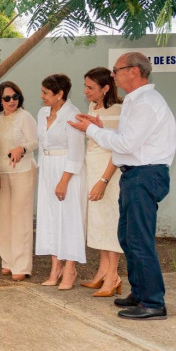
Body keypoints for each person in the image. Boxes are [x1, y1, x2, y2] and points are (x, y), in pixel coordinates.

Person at [70, 52, 175, 320]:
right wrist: (99, 126)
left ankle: (153, 302)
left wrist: (92, 131)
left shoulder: (146, 103)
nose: (113, 75)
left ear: (134, 72)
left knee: (139, 240)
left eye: (117, 70)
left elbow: (127, 145)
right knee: (128, 237)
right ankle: (140, 294)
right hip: (135, 174)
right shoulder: (135, 101)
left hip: (145, 174)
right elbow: (126, 140)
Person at [35, 73, 86, 290]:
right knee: (49, 217)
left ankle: (70, 268)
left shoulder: (73, 115)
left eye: (46, 93)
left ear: (59, 94)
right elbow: (41, 142)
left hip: (67, 169)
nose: (42, 96)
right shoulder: (42, 112)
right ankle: (55, 267)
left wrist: (64, 180)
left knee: (68, 217)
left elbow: (76, 152)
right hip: (47, 167)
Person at [78, 67, 124, 297]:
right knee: (99, 224)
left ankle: (113, 275)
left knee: (111, 223)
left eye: (90, 87)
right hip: (94, 169)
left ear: (106, 88)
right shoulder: (93, 108)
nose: (85, 91)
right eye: (85, 86)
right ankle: (103, 271)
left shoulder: (117, 110)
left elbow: (117, 149)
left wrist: (103, 181)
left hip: (110, 175)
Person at [0, 81, 37, 281]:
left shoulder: (25, 117)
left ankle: (21, 265)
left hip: (23, 171)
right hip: (3, 172)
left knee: (20, 218)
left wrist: (22, 148)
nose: (12, 101)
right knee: (4, 217)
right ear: (0, 101)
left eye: (15, 96)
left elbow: (36, 140)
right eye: (7, 98)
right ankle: (8, 261)